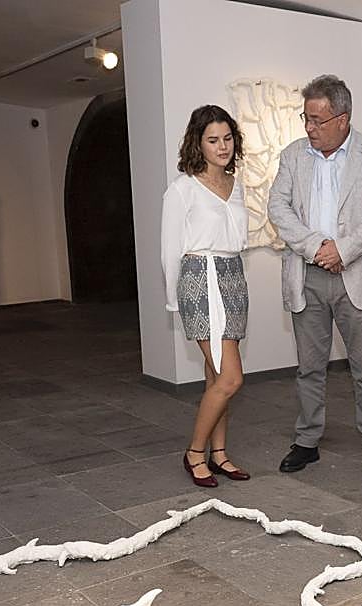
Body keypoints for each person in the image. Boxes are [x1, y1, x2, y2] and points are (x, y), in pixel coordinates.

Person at [267, 74, 362, 478]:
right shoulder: (293, 156)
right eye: (305, 118)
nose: (309, 128)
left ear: (342, 119)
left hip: (357, 274)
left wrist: (343, 250)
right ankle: (307, 440)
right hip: (306, 275)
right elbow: (279, 208)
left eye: (317, 120)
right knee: (309, 367)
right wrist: (315, 248)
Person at [161, 105, 252, 488]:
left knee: (217, 376)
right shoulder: (182, 189)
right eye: (213, 140)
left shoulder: (237, 185)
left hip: (233, 277)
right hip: (201, 279)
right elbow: (169, 251)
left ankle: (219, 454)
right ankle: (194, 453)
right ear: (197, 143)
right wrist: (174, 302)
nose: (222, 146)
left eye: (227, 138)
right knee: (231, 378)